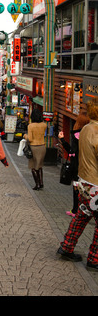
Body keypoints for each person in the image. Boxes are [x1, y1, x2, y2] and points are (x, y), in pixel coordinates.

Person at [57, 99, 98, 271]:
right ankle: (94, 258)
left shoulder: (87, 128)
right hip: (96, 185)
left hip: (84, 181)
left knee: (81, 216)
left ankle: (67, 247)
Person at [58, 112, 90, 217]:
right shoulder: (90, 134)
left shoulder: (77, 136)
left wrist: (62, 140)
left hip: (77, 168)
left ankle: (76, 211)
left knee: (77, 190)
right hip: (88, 167)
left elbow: (72, 152)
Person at [24, 109, 47, 190]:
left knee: (33, 166)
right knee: (39, 166)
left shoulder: (30, 126)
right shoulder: (44, 125)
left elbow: (30, 139)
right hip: (42, 147)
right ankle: (41, 182)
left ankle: (37, 184)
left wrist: (25, 136)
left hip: (34, 148)